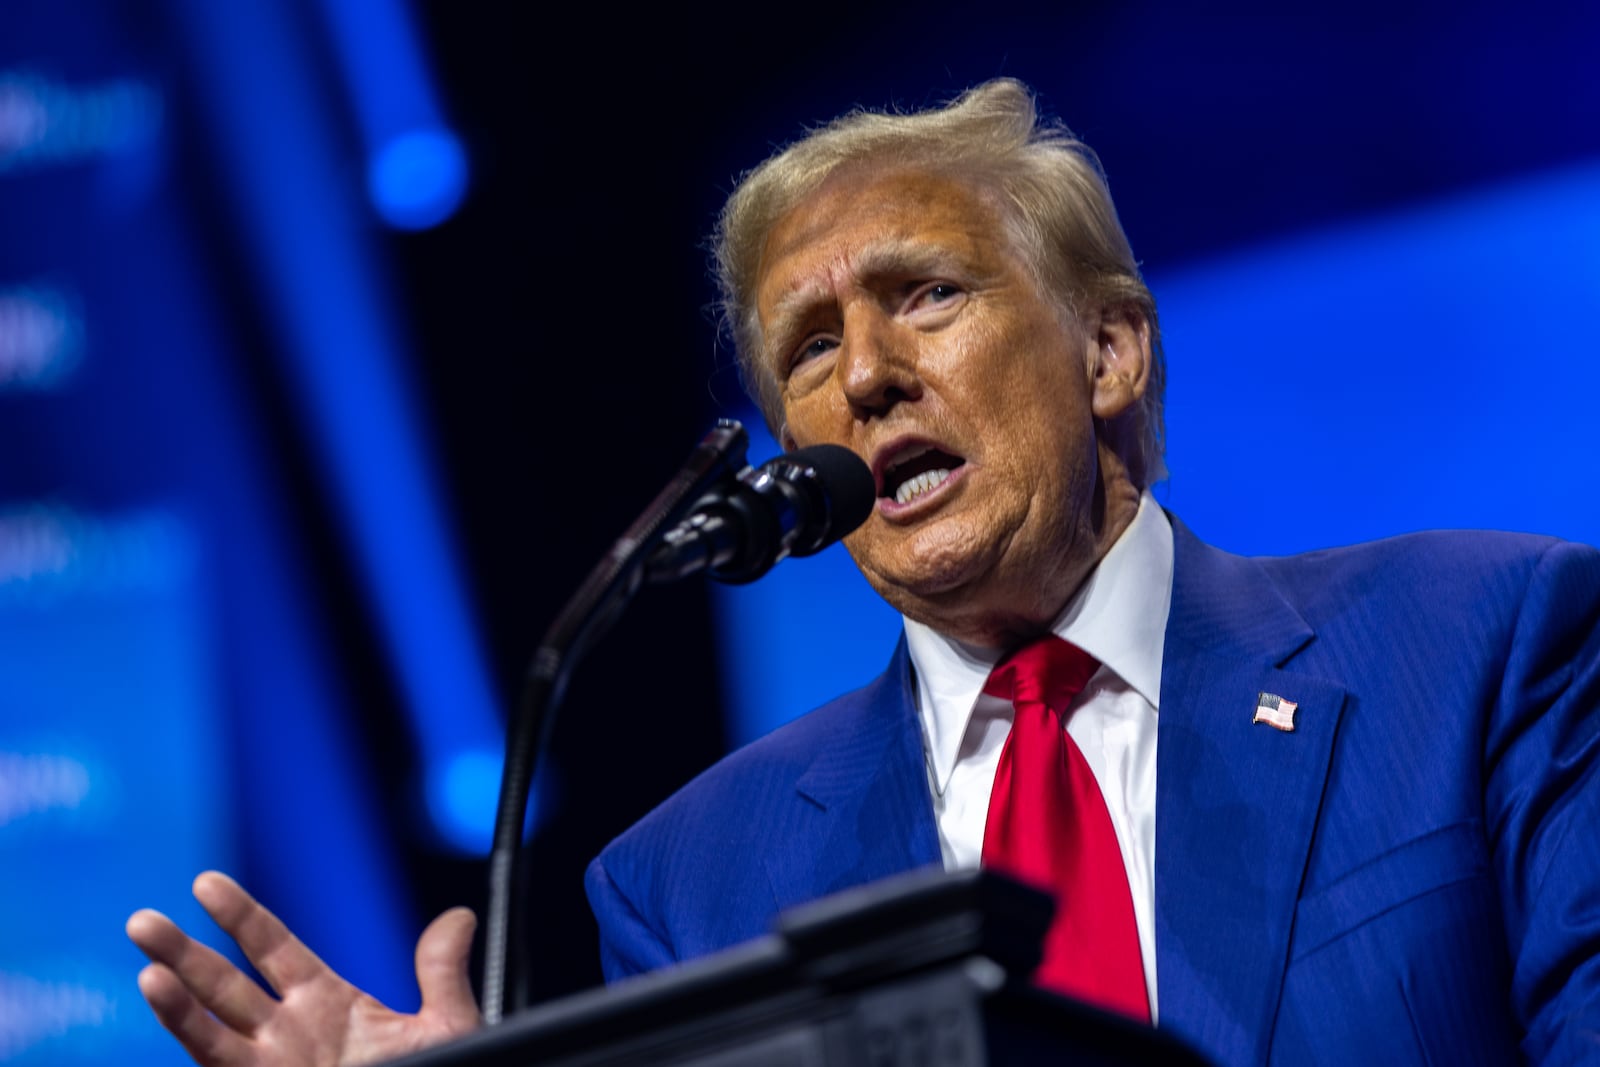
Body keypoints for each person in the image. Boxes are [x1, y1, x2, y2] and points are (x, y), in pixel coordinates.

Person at [129, 79, 1600, 1066]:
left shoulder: (1474, 646)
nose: (870, 380)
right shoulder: (695, 879)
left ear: (1110, 349)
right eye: (809, 350)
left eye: (928, 298)